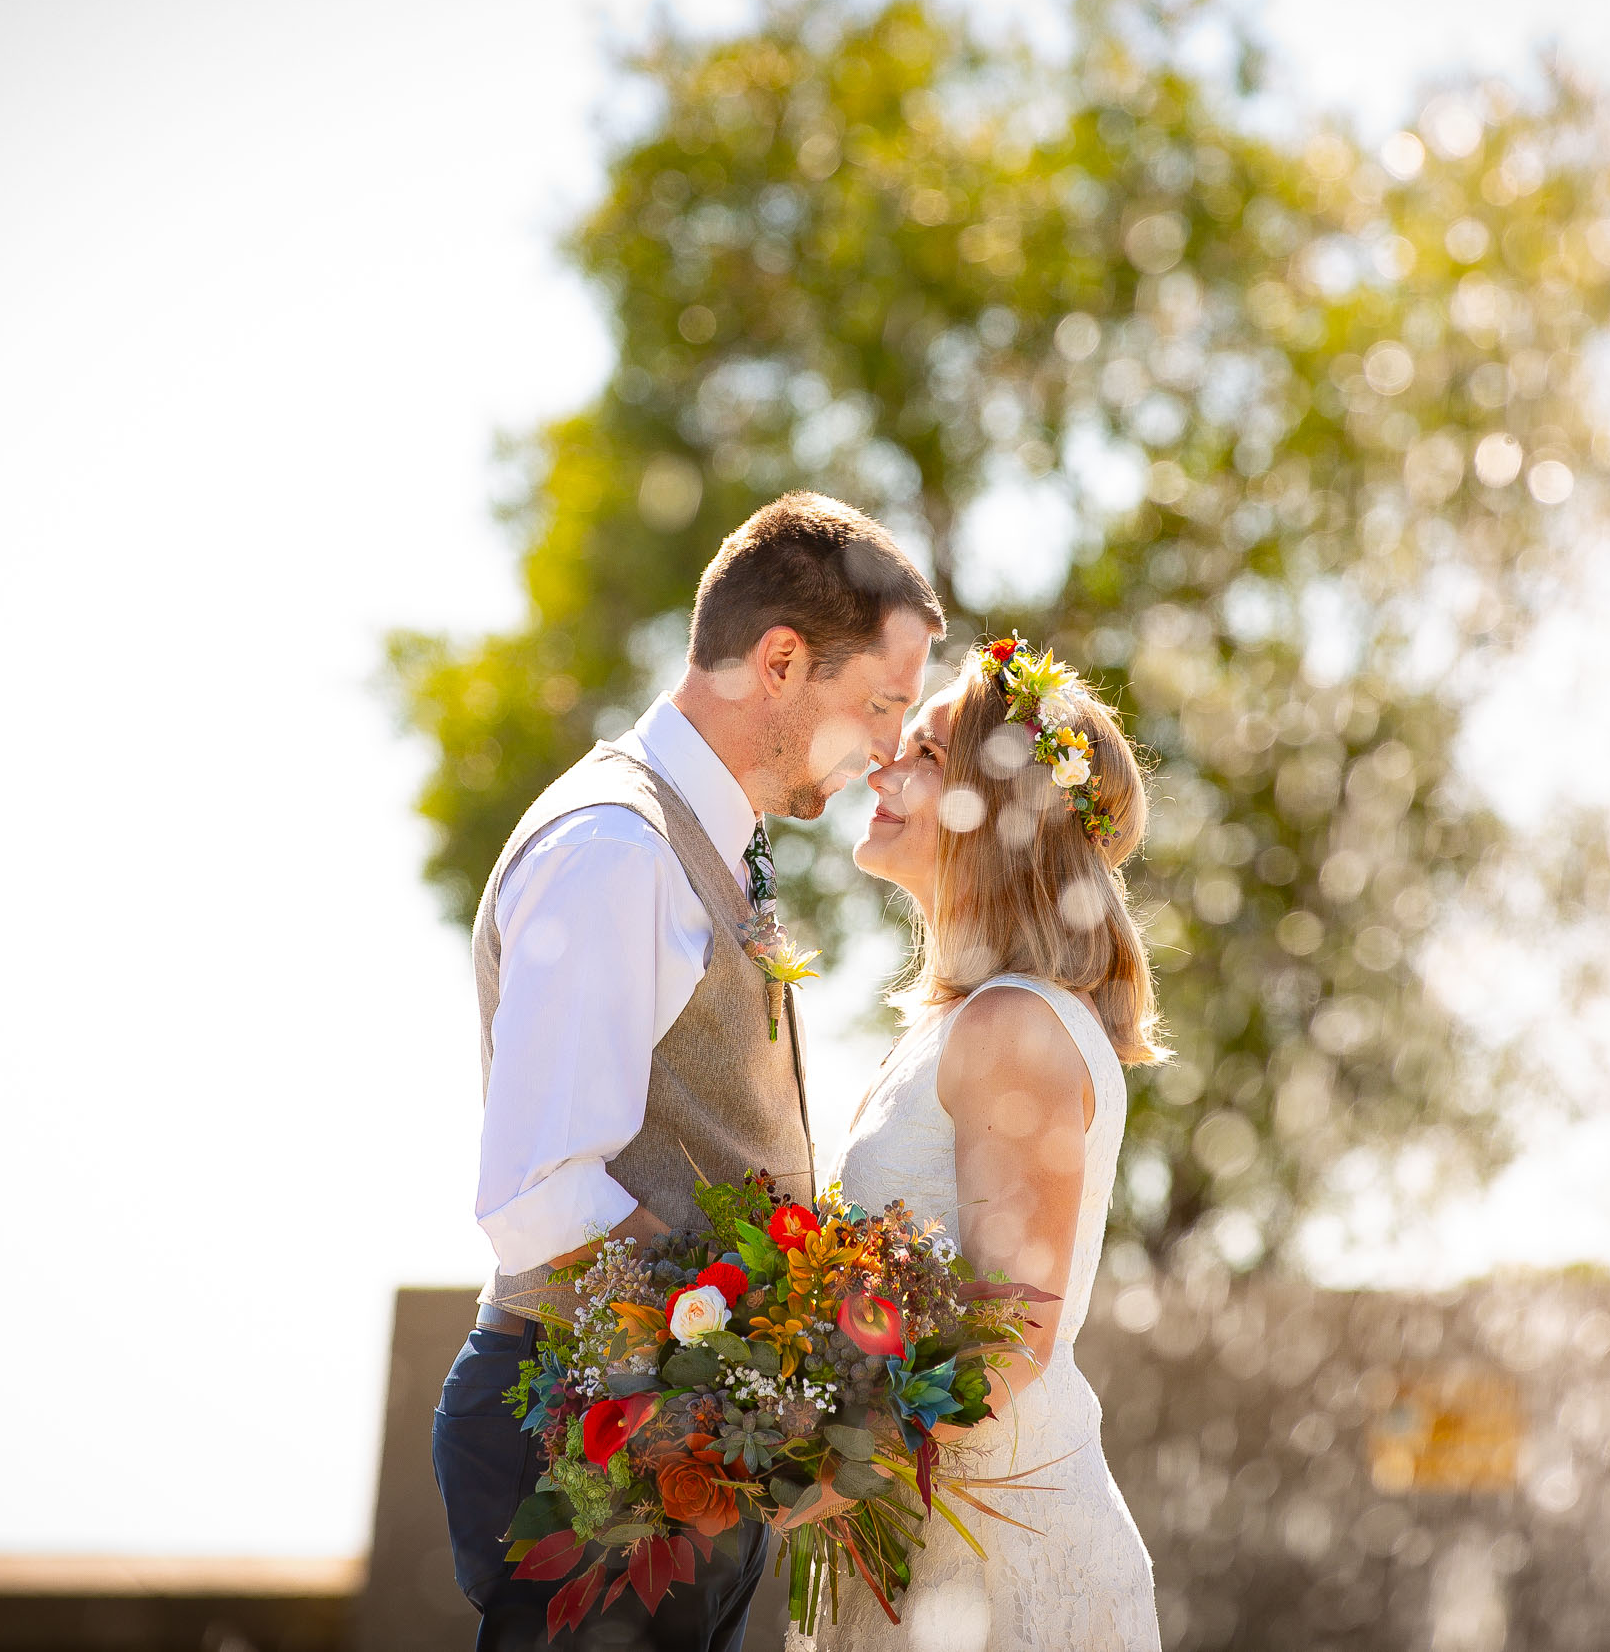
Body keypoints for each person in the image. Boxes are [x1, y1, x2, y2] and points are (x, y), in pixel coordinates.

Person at [431, 491, 943, 1652]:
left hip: (661, 1440)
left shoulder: (711, 841)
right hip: (583, 1443)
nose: (884, 746)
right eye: (877, 704)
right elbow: (538, 1193)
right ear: (778, 661)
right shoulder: (616, 848)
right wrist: (750, 1377)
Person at [823, 637, 1163, 1650]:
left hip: (997, 1577)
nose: (879, 767)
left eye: (924, 753)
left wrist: (804, 1454)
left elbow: (1000, 1346)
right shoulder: (955, 1026)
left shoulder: (1014, 1028)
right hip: (930, 1557)